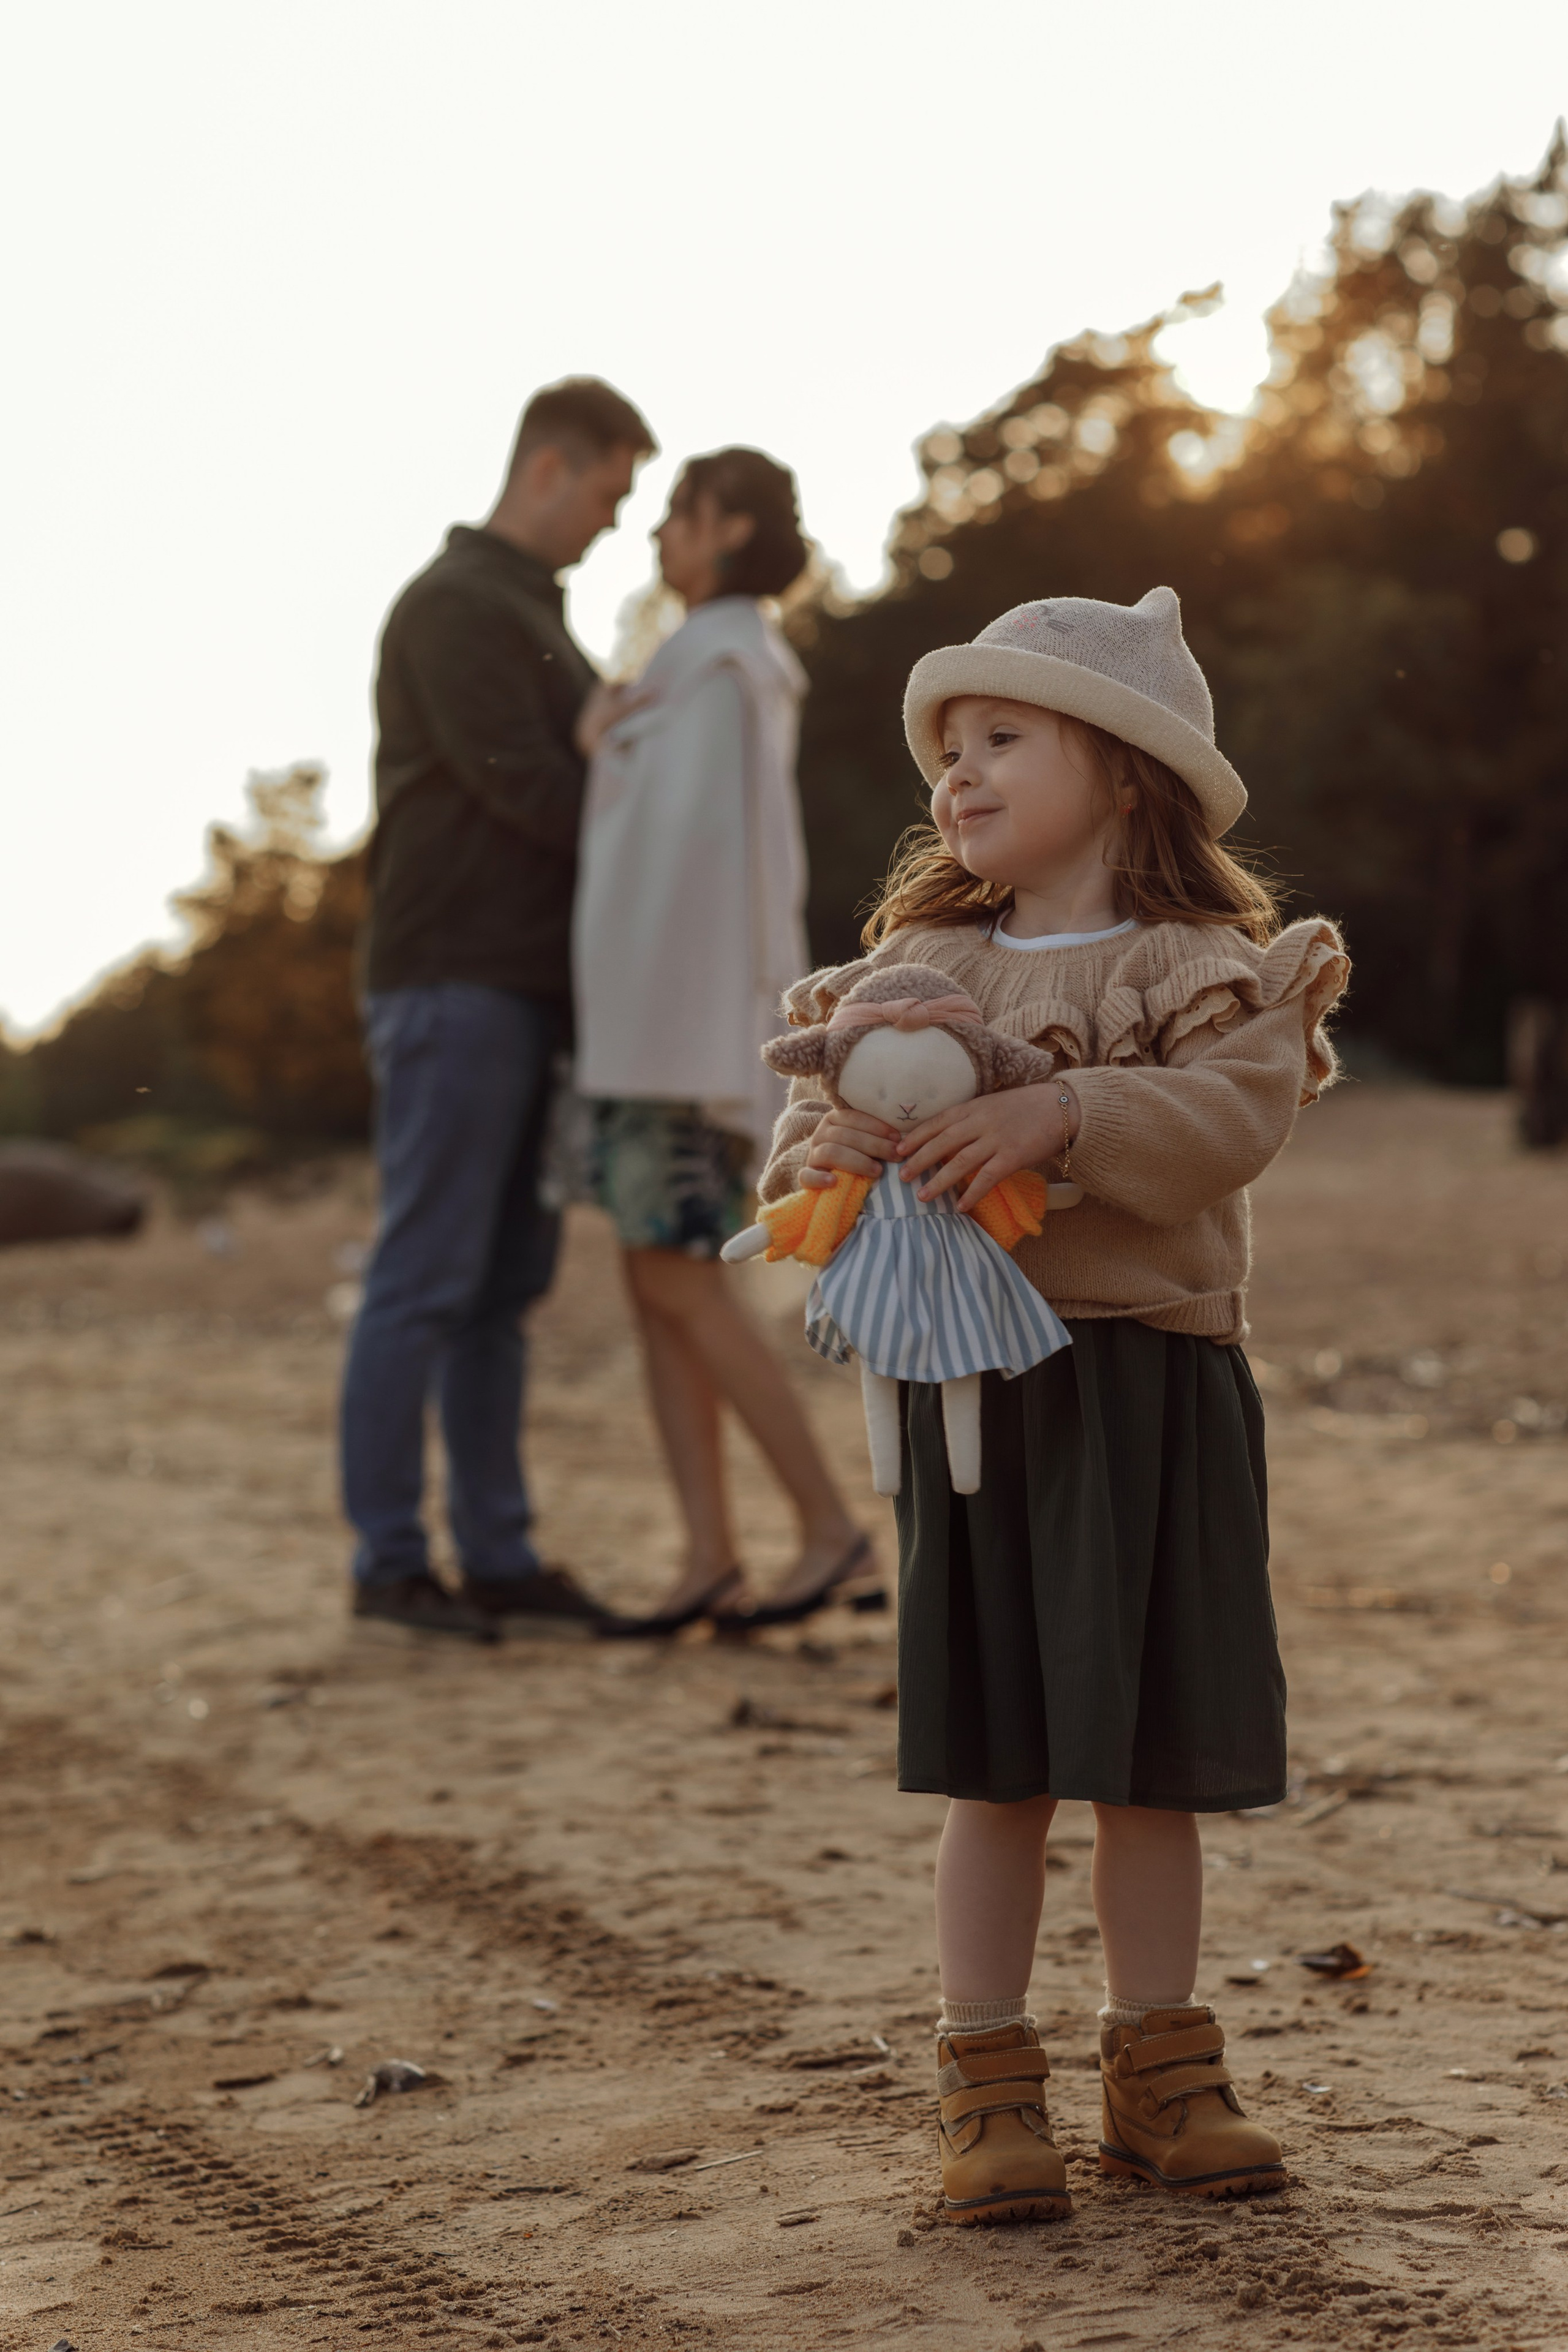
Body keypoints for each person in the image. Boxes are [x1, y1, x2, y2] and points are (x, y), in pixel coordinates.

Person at [758, 587, 1349, 2217]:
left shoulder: (1207, 966)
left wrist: (1057, 1116)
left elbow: (1229, 1122)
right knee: (996, 1759)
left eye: (1000, 738)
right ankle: (987, 2082)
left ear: (1127, 765)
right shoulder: (914, 966)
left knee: (1148, 1759)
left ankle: (1160, 2070)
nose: (957, 775)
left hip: (1151, 1386)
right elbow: (810, 1140)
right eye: (946, 750)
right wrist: (844, 1159)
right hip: (970, 1401)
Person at [341, 377, 656, 1638]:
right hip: (452, 984)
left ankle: (500, 1555)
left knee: (500, 1288)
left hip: (525, 993)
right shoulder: (457, 607)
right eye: (606, 491)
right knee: (423, 1277)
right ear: (545, 468)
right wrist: (622, 764)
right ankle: (387, 1565)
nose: (612, 521)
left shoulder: (528, 610)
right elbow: (535, 790)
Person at [572, 449, 873, 1635]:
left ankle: (824, 1529)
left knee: (680, 1282)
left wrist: (604, 747)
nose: (657, 535)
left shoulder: (717, 669)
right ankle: (708, 1549)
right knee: (656, 1284)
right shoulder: (720, 661)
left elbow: (685, 865)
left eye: (676, 516)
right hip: (664, 1033)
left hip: (670, 1036)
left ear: (727, 527)